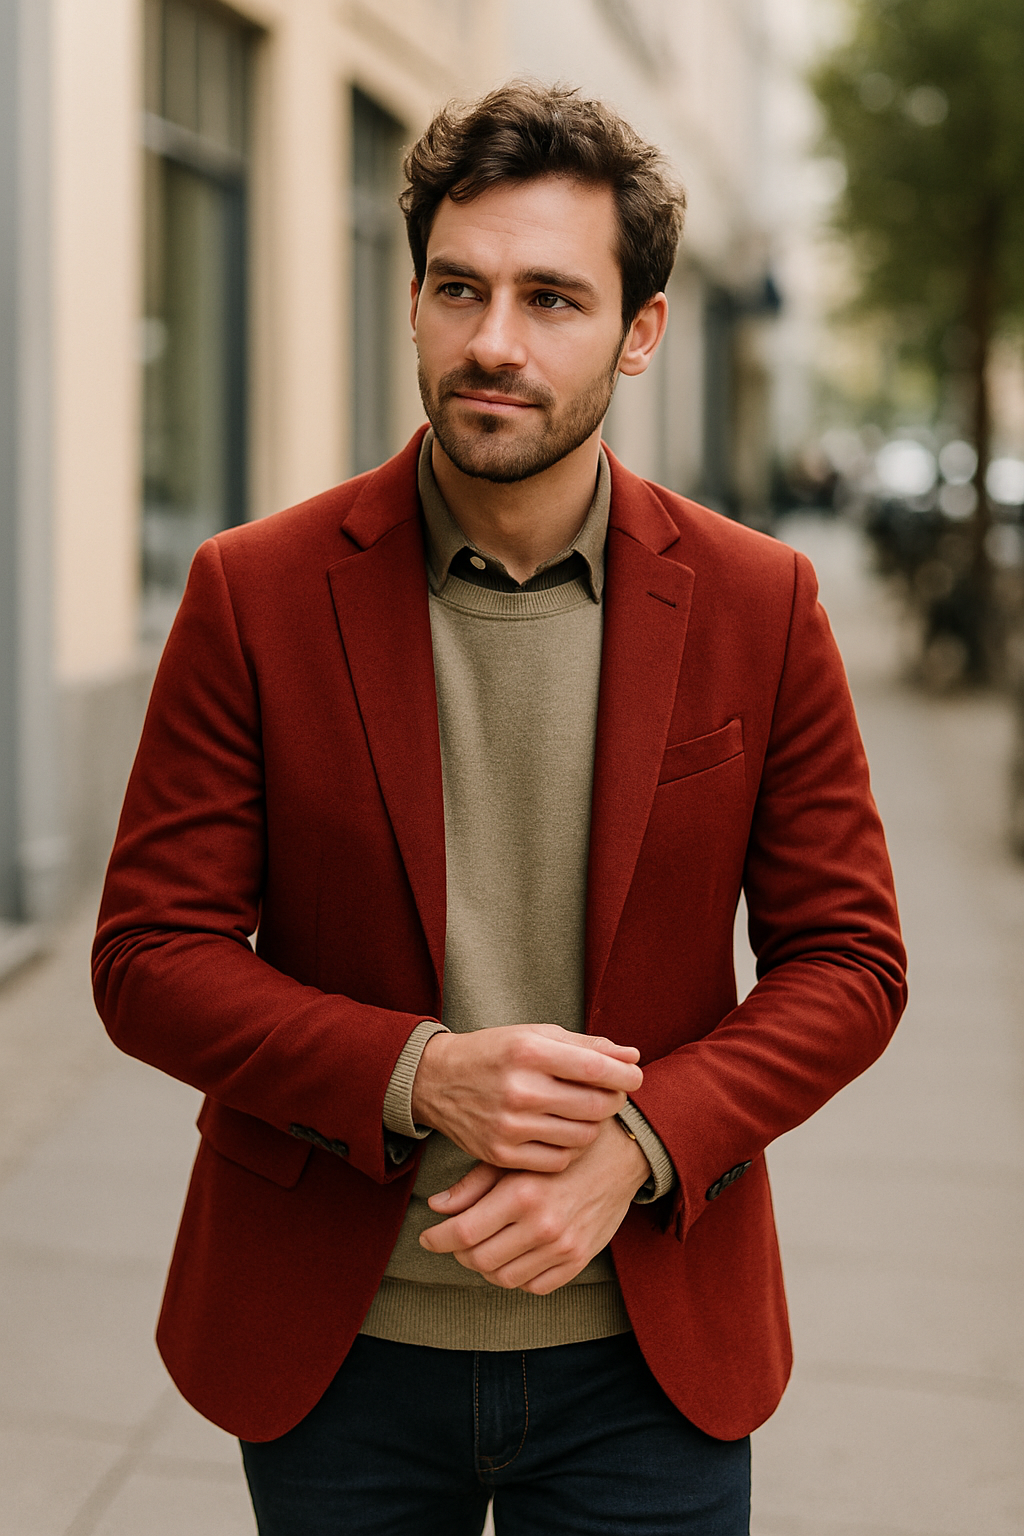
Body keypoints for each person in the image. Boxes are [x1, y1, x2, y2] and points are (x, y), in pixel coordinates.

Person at [93, 82, 906, 1536]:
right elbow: (149, 957)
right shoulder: (255, 593)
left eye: (553, 298)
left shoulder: (757, 605)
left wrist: (644, 1142)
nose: (495, 343)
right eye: (459, 288)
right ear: (410, 300)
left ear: (641, 331)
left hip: (645, 1360)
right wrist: (418, 1074)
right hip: (334, 1354)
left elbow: (851, 962)